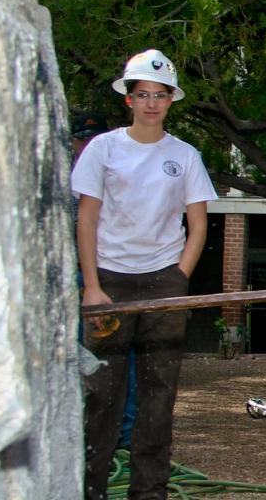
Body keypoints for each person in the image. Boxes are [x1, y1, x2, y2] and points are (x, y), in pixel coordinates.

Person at [75, 49, 218, 500]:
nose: (151, 103)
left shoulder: (185, 155)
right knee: (102, 397)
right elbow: (87, 219)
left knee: (159, 399)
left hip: (163, 282)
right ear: (129, 99)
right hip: (110, 282)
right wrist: (93, 287)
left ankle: (149, 493)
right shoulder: (104, 149)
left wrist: (179, 277)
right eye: (143, 94)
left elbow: (198, 224)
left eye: (160, 95)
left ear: (172, 99)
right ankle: (89, 491)